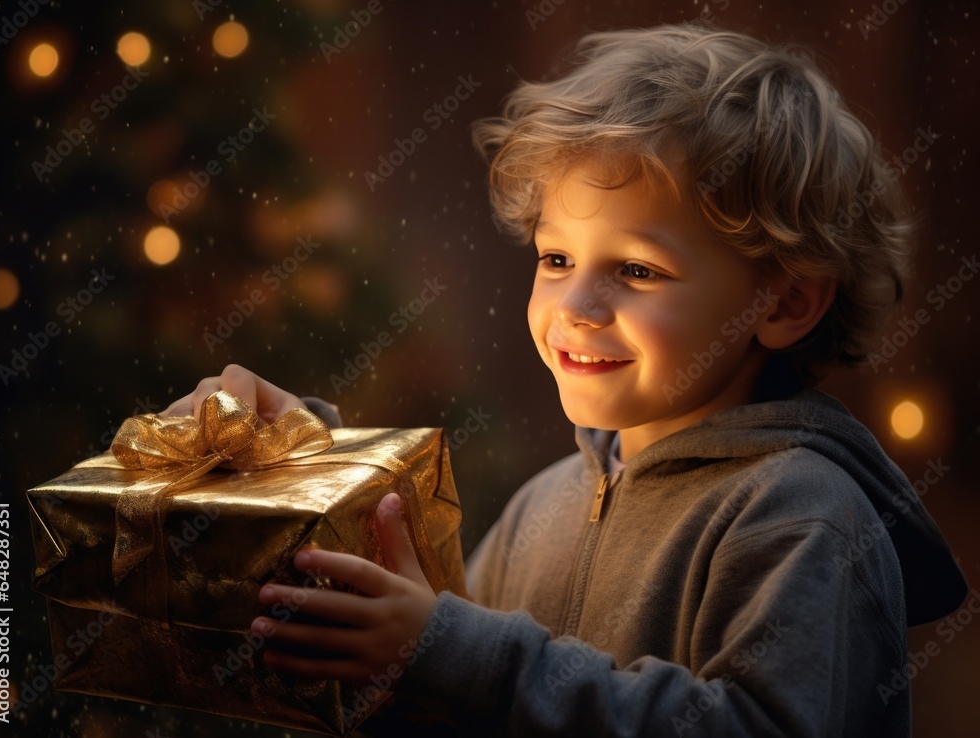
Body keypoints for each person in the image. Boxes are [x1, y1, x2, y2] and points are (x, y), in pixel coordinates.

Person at [161, 23, 968, 736]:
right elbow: (447, 697)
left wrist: (449, 649)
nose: (576, 306)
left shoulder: (801, 516)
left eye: (637, 269)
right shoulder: (538, 507)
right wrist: (302, 471)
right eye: (556, 258)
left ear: (786, 302)